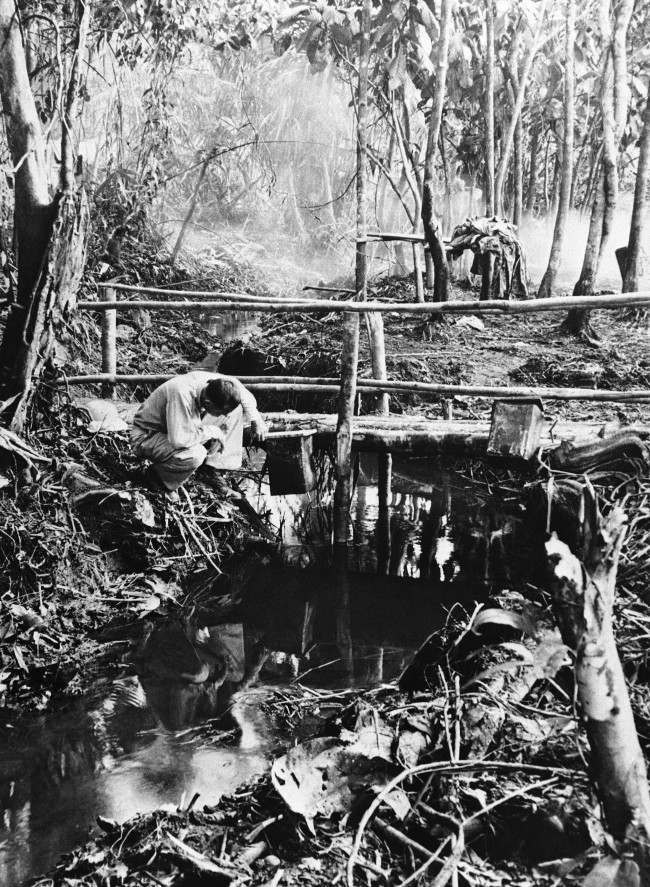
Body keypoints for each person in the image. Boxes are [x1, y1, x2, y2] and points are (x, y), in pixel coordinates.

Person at [131, 371, 267, 494]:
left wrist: (255, 418)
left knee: (235, 411)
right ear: (208, 403)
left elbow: (236, 385)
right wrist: (213, 431)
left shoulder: (209, 383)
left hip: (172, 430)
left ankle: (212, 469)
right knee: (196, 454)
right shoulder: (181, 394)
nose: (222, 416)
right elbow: (179, 440)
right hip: (147, 436)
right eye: (219, 412)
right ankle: (157, 477)